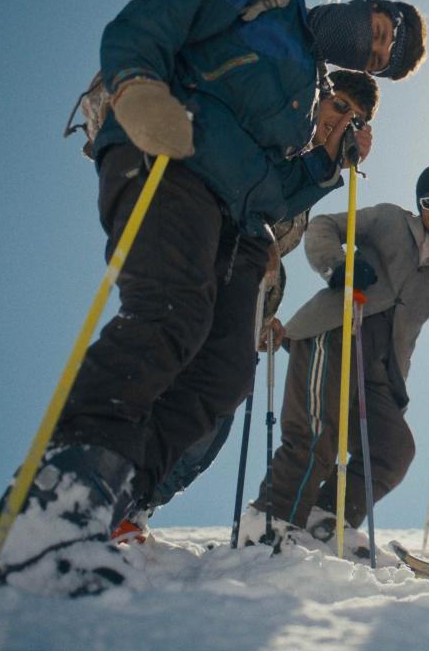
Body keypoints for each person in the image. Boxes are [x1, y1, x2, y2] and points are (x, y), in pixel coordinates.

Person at [0, 0, 426, 595]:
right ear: (363, 5)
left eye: (377, 58)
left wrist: (324, 166)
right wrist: (136, 85)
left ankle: (108, 503)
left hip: (239, 222)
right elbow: (150, 19)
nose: (370, 48)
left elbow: (272, 193)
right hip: (168, 160)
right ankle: (55, 504)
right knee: (168, 317)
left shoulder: (308, 102)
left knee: (224, 371)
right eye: (378, 31)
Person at [114, 70, 380, 542]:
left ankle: (135, 507)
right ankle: (105, 495)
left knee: (212, 422)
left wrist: (261, 313)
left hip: (242, 302)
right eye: (338, 106)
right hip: (198, 284)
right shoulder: (278, 141)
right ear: (316, 100)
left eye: (354, 118)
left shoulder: (317, 173)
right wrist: (258, 240)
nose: (342, 122)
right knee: (174, 394)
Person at [238, 164, 429, 554]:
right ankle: (271, 520)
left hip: (383, 369)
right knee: (316, 432)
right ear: (419, 206)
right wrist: (339, 265)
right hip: (337, 330)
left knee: (393, 450)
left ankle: (324, 520)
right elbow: (322, 226)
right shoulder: (388, 219)